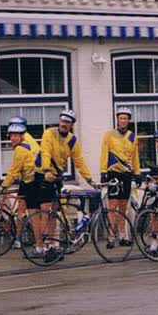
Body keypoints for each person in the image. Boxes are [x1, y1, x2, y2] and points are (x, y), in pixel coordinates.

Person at [35, 109, 95, 261]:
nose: (64, 124)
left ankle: (53, 246)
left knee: (54, 212)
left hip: (56, 176)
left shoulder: (72, 140)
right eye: (62, 121)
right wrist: (46, 170)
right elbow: (46, 151)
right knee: (45, 210)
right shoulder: (49, 133)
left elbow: (79, 160)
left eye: (67, 122)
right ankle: (44, 247)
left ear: (71, 125)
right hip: (43, 174)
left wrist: (89, 179)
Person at [99, 106, 139, 247]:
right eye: (120, 118)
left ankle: (123, 235)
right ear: (117, 119)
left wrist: (137, 173)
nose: (123, 121)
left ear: (129, 120)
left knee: (123, 206)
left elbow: (135, 157)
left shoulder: (132, 136)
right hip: (113, 173)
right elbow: (104, 153)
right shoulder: (109, 135)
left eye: (125, 118)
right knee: (112, 205)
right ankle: (111, 236)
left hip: (126, 174)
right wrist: (103, 171)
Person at [0, 122, 38, 250]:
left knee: (31, 213)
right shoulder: (26, 145)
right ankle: (18, 239)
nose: (12, 138)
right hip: (26, 182)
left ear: (22, 136)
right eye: (11, 136)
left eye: (16, 135)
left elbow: (13, 171)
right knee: (21, 212)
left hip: (31, 183)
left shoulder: (20, 149)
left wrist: (4, 186)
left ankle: (38, 241)